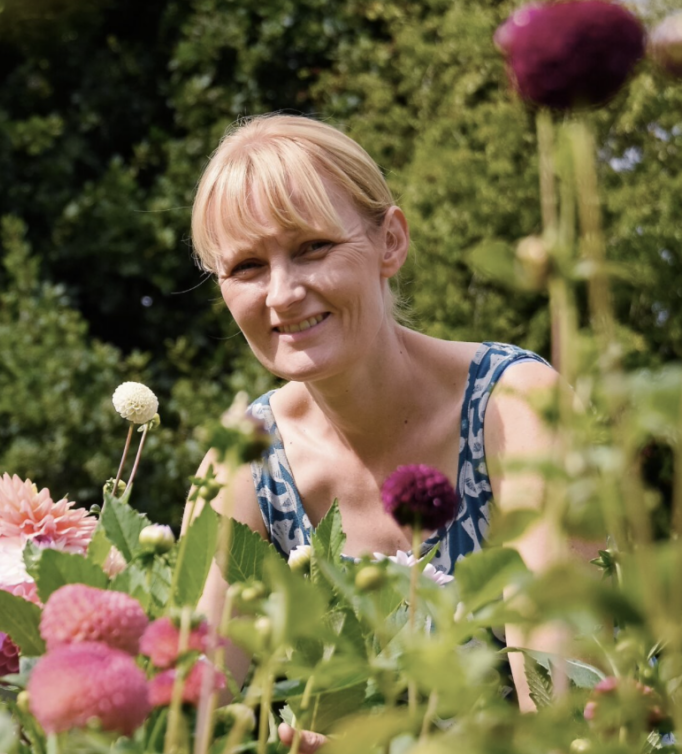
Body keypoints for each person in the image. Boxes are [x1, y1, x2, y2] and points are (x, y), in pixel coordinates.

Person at [189, 113, 573, 720]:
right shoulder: (245, 463)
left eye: (311, 247)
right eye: (247, 268)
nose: (282, 293)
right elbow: (194, 721)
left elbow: (561, 710)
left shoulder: (514, 407)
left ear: (390, 241)